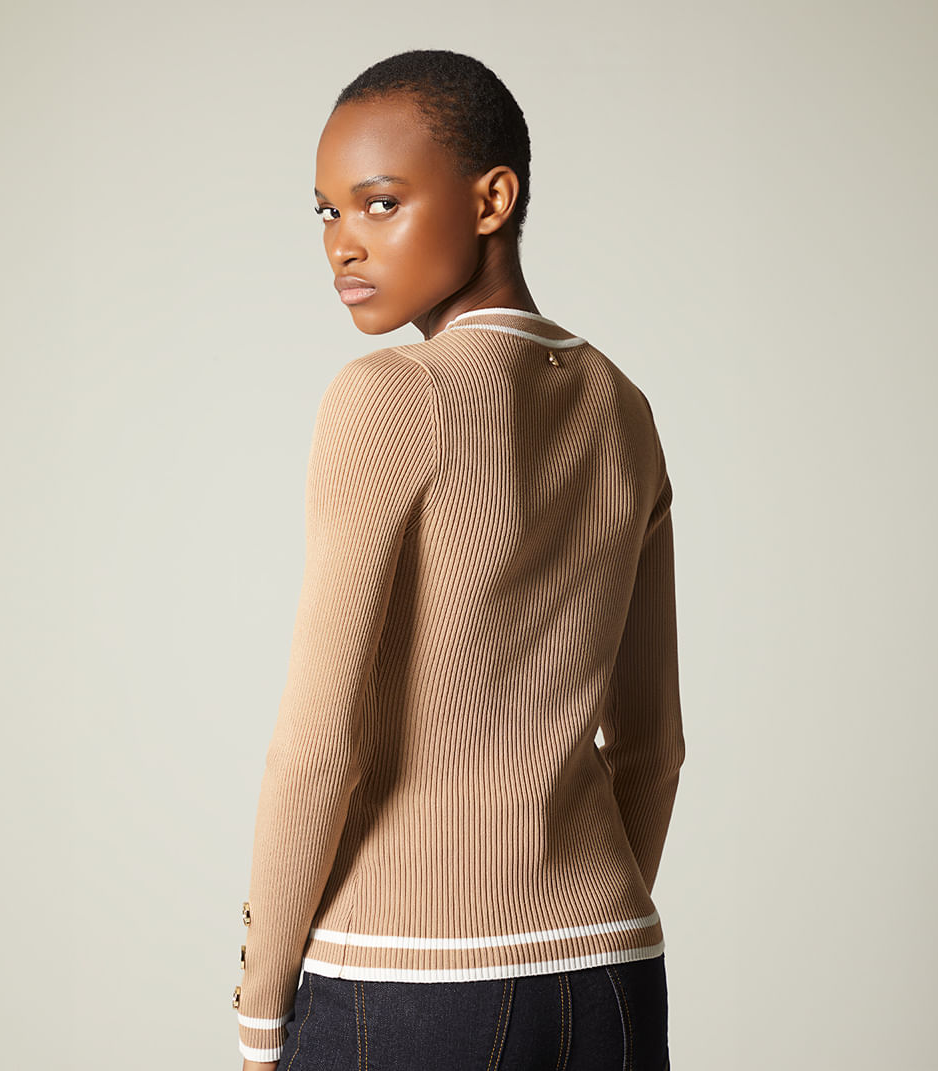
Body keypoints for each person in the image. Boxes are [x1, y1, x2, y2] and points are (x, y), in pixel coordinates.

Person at [232, 48, 685, 1071]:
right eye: (327, 212)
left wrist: (259, 1015)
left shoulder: (388, 394)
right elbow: (653, 744)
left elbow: (318, 747)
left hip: (409, 982)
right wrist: (574, 930)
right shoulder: (624, 408)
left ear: (492, 199)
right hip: (613, 971)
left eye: (380, 203)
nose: (343, 243)